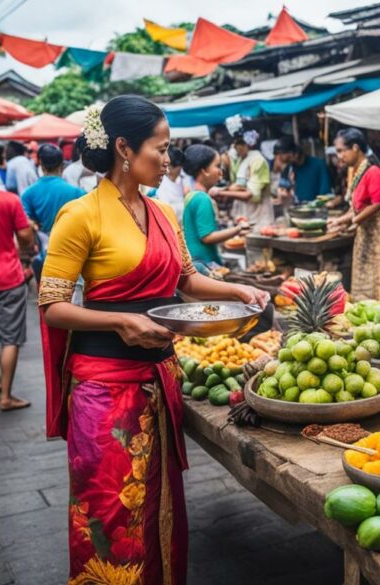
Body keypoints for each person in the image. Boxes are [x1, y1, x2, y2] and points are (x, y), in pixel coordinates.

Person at [38, 95, 269, 584]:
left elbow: (187, 280)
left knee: (159, 507)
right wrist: (120, 323)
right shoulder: (79, 216)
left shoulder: (164, 212)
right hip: (104, 390)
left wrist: (238, 288)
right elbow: (52, 307)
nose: (169, 161)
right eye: (160, 149)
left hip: (158, 379)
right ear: (124, 147)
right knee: (111, 516)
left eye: (171, 150)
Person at [0, 150, 34, 411]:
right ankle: (7, 397)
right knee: (10, 338)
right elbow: (25, 237)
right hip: (7, 279)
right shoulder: (8, 201)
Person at [327, 128, 380, 301]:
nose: (339, 156)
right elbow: (357, 206)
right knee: (364, 281)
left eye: (340, 150)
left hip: (379, 235)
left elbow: (376, 204)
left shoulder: (374, 172)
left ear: (355, 147)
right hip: (366, 232)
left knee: (379, 281)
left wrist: (352, 221)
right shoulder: (356, 172)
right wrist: (340, 220)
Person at [182, 144, 250, 274]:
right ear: (204, 171)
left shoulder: (191, 195)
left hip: (195, 261)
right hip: (205, 264)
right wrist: (238, 229)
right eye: (217, 166)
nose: (221, 171)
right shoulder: (203, 199)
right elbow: (207, 237)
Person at [21, 144, 85, 279]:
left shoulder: (28, 194)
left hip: (44, 255)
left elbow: (26, 224)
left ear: (41, 164)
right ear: (62, 165)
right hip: (73, 253)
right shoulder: (78, 193)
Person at [215, 129, 274, 226]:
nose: (237, 147)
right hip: (245, 214)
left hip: (259, 216)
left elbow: (252, 195)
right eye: (236, 143)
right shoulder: (240, 159)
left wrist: (221, 192)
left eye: (241, 143)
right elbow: (239, 185)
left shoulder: (258, 160)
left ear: (249, 144)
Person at [273, 136, 332, 204]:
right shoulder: (289, 168)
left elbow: (326, 193)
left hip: (316, 209)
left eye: (287, 158)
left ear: (294, 153)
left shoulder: (319, 165)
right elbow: (283, 190)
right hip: (296, 208)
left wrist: (315, 205)